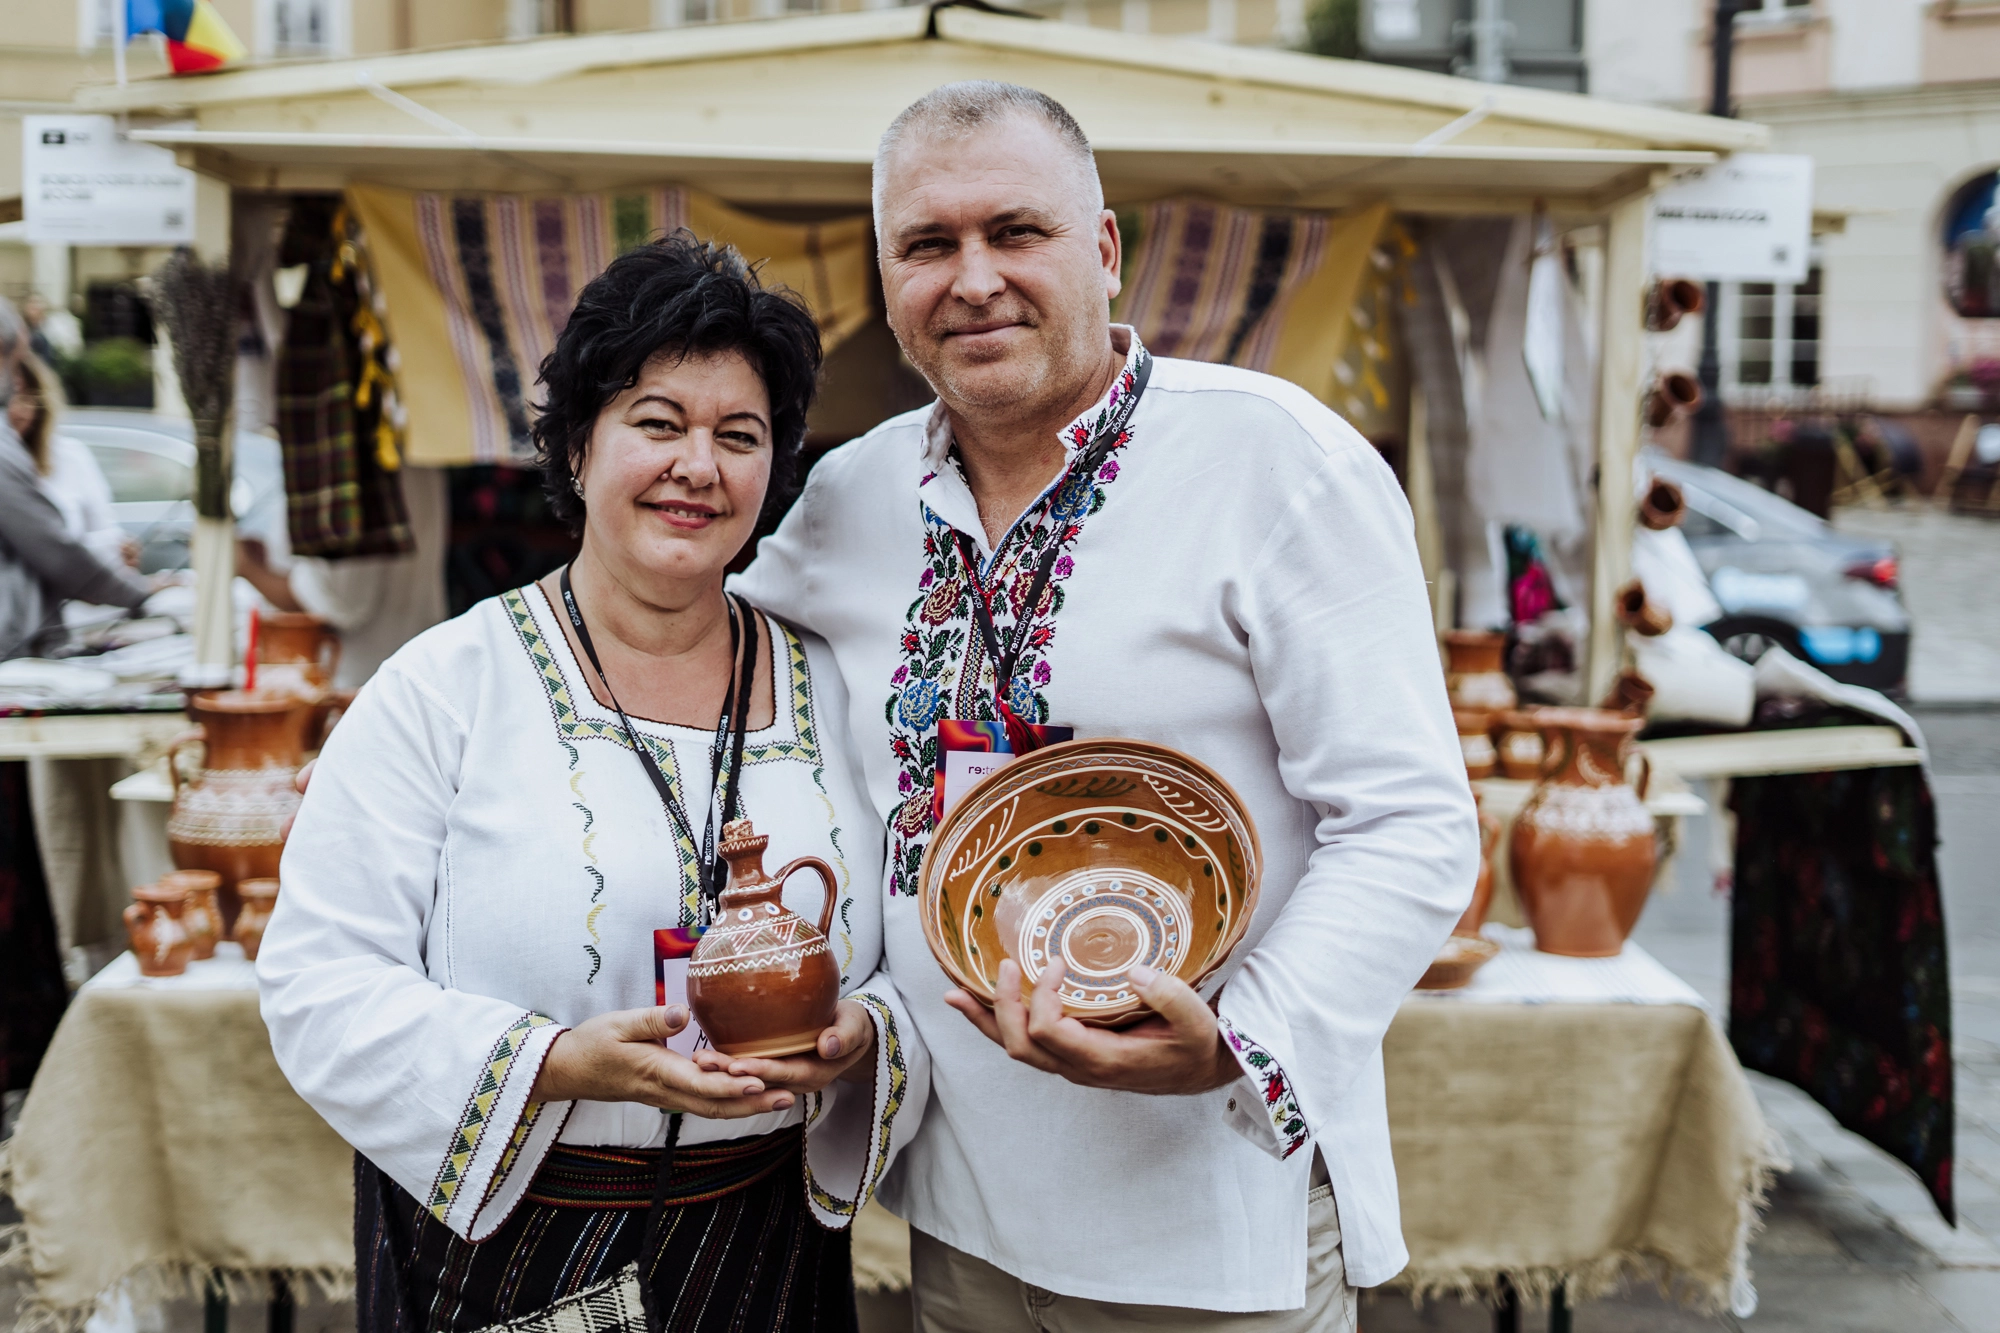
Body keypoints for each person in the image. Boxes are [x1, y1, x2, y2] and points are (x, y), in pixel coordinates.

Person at [734, 82, 1476, 1329]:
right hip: (958, 1209)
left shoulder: (1274, 464)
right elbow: (703, 673)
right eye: (926, 245)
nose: (971, 279)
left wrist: (1240, 1041)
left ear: (1103, 249)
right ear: (884, 276)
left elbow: (1409, 820)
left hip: (1204, 1211)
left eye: (1012, 232)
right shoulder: (845, 501)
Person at [256, 237, 928, 1333]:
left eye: (739, 436)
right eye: (656, 423)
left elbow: (915, 949)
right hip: (512, 1253)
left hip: (767, 1253)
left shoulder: (835, 686)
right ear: (577, 444)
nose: (697, 466)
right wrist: (557, 1063)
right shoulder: (447, 688)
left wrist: (864, 1034)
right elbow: (317, 982)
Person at [232, 465, 450, 688]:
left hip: (361, 679)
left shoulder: (344, 468)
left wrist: (247, 567)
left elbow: (336, 603)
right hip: (399, 667)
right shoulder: (417, 463)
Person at [10, 353, 140, 573]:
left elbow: (108, 532)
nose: (17, 411)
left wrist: (119, 549)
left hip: (74, 600)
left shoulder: (70, 456)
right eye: (9, 398)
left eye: (27, 398)